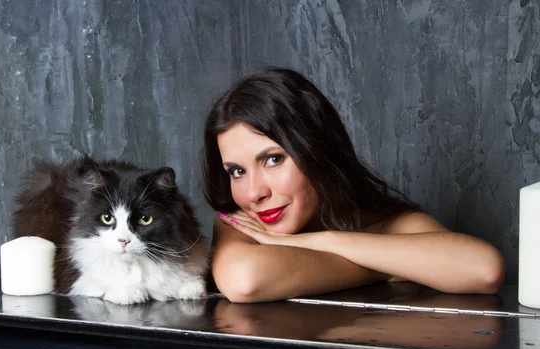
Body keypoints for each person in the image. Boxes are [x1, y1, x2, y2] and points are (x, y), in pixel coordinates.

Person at [201, 67, 505, 303]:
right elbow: (244, 280)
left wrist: (322, 241)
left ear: (318, 151)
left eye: (273, 160)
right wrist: (390, 265)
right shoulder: (242, 222)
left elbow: (484, 269)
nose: (254, 193)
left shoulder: (390, 224)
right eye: (237, 171)